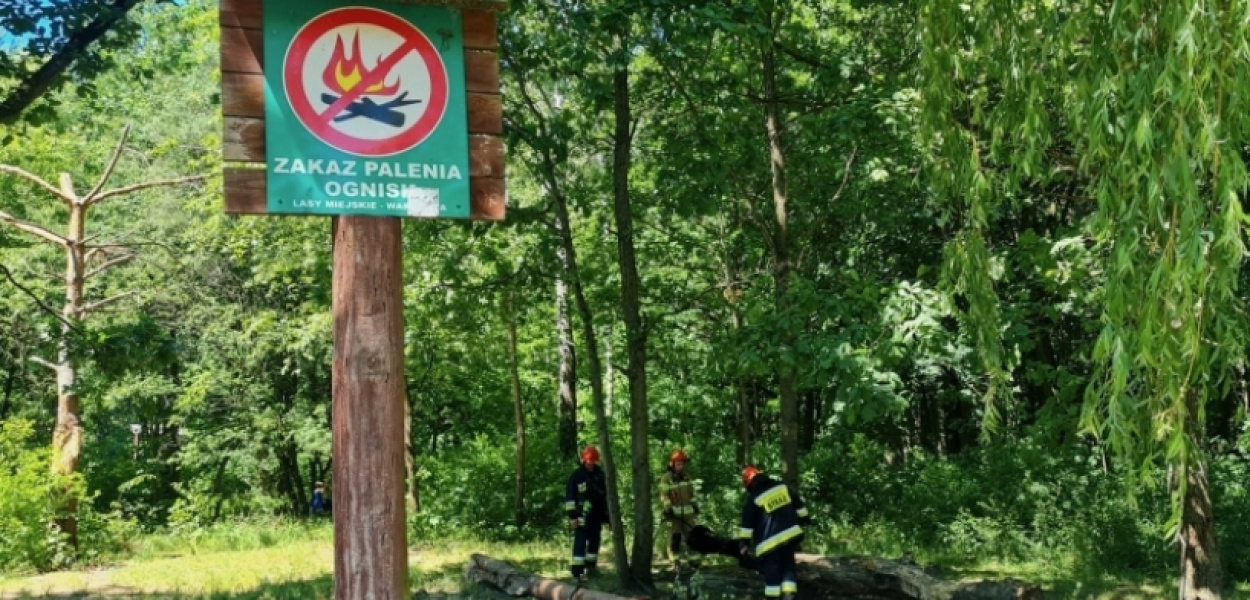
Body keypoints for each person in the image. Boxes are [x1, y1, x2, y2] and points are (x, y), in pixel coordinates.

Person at [735, 466, 810, 600]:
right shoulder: (781, 486)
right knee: (788, 566)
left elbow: (747, 526)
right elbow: (799, 506)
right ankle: (789, 596)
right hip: (790, 537)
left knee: (772, 571)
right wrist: (804, 518)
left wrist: (744, 545)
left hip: (769, 544)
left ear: (748, 483)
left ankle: (772, 597)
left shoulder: (753, 499)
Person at [565, 445, 608, 580]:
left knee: (594, 543)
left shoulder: (601, 475)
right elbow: (570, 498)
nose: (590, 463)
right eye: (588, 461)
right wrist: (572, 516)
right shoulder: (576, 476)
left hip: (597, 516)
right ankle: (577, 573)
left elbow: (606, 496)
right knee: (580, 544)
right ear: (583, 460)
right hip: (581, 517)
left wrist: (607, 516)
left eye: (593, 461)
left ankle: (591, 568)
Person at [659, 448, 701, 567]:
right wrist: (668, 509)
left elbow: (691, 495)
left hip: (688, 515)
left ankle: (694, 562)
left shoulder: (687, 477)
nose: (680, 466)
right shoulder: (666, 478)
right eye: (678, 464)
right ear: (672, 464)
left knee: (693, 538)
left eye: (682, 464)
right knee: (674, 540)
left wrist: (695, 506)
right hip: (674, 516)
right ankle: (675, 564)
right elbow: (664, 495)